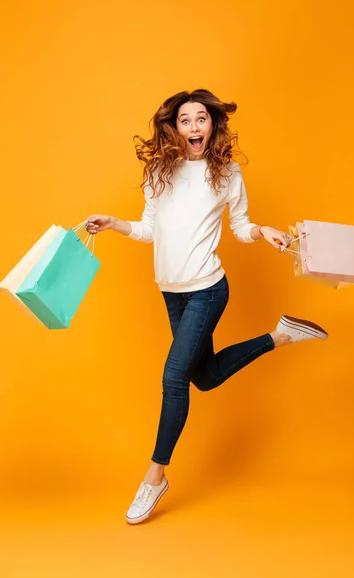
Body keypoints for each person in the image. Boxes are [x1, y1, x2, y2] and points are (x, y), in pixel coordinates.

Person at [86, 89, 328, 525]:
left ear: (212, 125)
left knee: (174, 378)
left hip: (208, 290)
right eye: (186, 120)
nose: (195, 126)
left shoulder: (227, 174)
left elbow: (240, 226)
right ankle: (281, 335)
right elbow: (147, 230)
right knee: (206, 377)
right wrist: (113, 224)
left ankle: (154, 476)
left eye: (202, 118)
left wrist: (265, 231)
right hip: (171, 291)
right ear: (173, 128)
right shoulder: (160, 172)